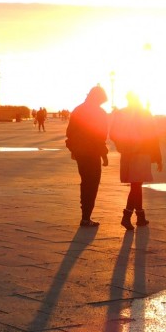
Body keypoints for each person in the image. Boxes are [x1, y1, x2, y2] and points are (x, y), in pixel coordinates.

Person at [111, 91, 162, 230]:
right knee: (136, 185)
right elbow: (153, 137)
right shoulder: (145, 113)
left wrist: (122, 146)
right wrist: (158, 157)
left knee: (136, 185)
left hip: (127, 154)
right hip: (142, 153)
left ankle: (140, 217)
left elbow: (113, 134)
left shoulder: (120, 113)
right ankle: (126, 216)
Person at [65, 85, 111, 227]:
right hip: (92, 153)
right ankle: (86, 217)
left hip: (81, 153)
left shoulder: (78, 110)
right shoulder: (100, 113)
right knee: (92, 184)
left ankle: (85, 216)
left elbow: (70, 133)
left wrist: (75, 149)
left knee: (85, 183)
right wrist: (104, 155)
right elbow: (100, 137)